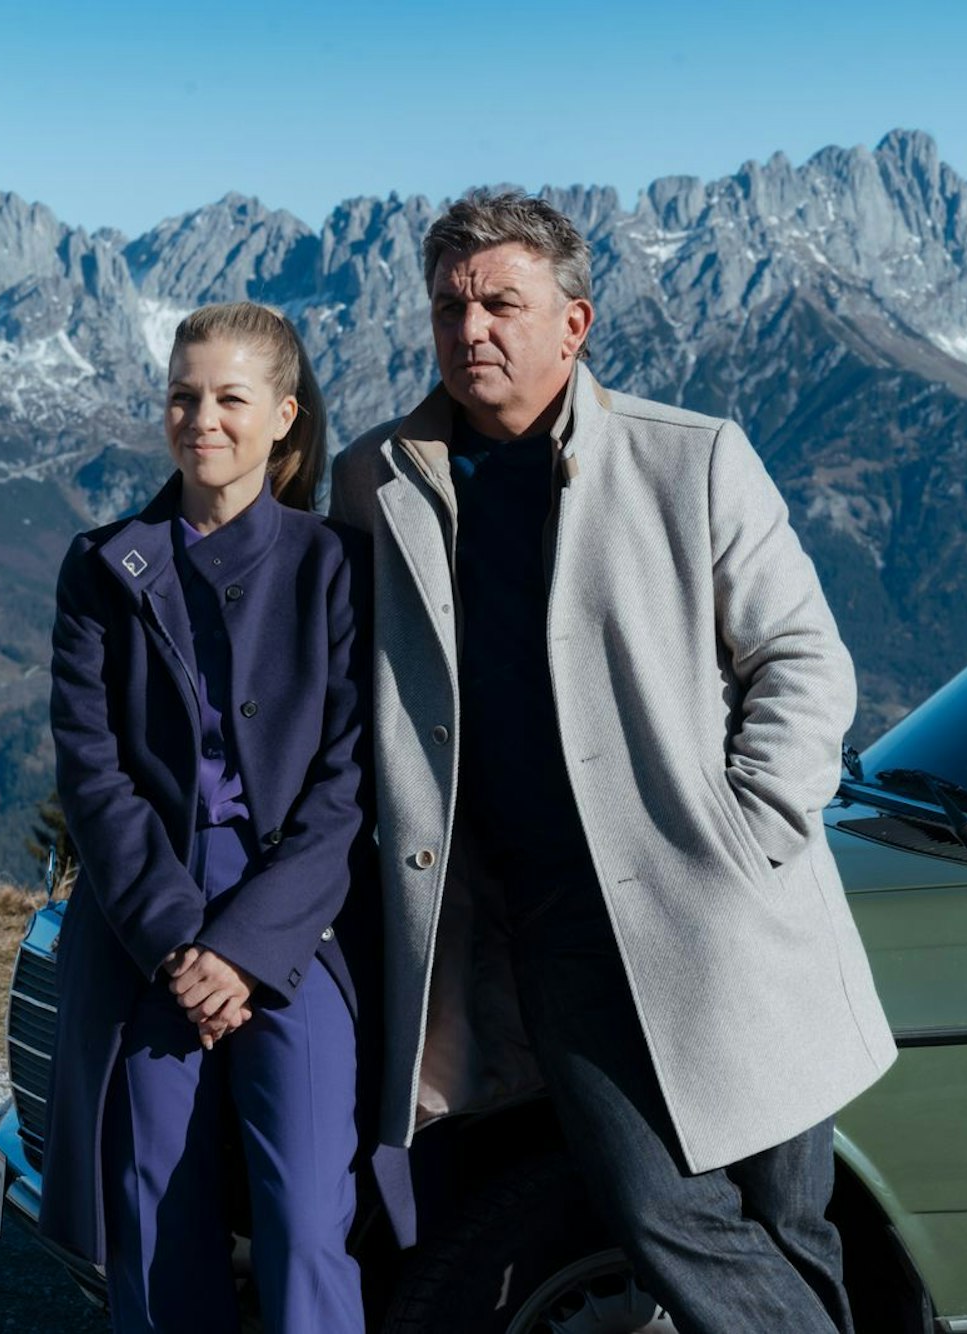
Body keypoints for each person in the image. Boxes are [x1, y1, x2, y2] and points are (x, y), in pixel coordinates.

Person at [330, 191, 898, 1333]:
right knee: (657, 1208)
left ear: (573, 323)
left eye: (502, 302)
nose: (471, 328)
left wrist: (752, 830)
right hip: (550, 920)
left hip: (731, 909)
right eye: (450, 305)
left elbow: (800, 660)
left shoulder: (688, 458)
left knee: (789, 1220)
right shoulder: (374, 480)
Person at [41, 302, 372, 1333]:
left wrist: (240, 949)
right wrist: (183, 945)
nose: (202, 419)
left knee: (308, 1213)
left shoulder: (337, 566)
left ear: (283, 416)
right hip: (152, 919)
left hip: (296, 922)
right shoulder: (101, 567)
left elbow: (346, 786)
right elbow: (94, 779)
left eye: (230, 397)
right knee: (153, 1210)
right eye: (183, 395)